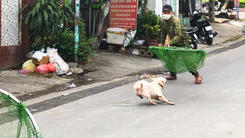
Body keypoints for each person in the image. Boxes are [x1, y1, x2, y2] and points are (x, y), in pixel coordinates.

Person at [159, 5, 203, 84]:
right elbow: (163, 34)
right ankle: (173, 75)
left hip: (183, 42)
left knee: (187, 60)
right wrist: (161, 44)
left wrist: (169, 43)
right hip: (173, 42)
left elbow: (178, 35)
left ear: (171, 12)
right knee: (170, 59)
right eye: (164, 12)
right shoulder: (164, 22)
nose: (166, 14)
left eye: (168, 12)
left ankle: (197, 76)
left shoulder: (176, 21)